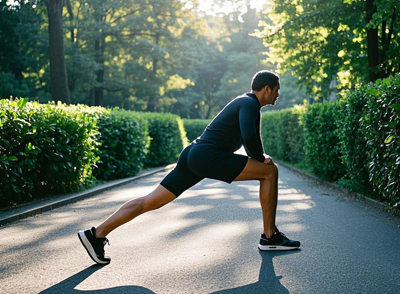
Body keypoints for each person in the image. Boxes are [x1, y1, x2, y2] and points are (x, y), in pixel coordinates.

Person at [78, 70, 300, 265]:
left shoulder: (245, 103)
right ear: (266, 89)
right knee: (270, 172)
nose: (278, 95)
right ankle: (270, 237)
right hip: (206, 156)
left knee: (149, 201)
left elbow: (252, 138)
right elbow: (249, 135)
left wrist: (259, 155)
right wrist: (261, 158)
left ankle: (96, 234)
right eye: (277, 90)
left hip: (193, 154)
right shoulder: (250, 103)